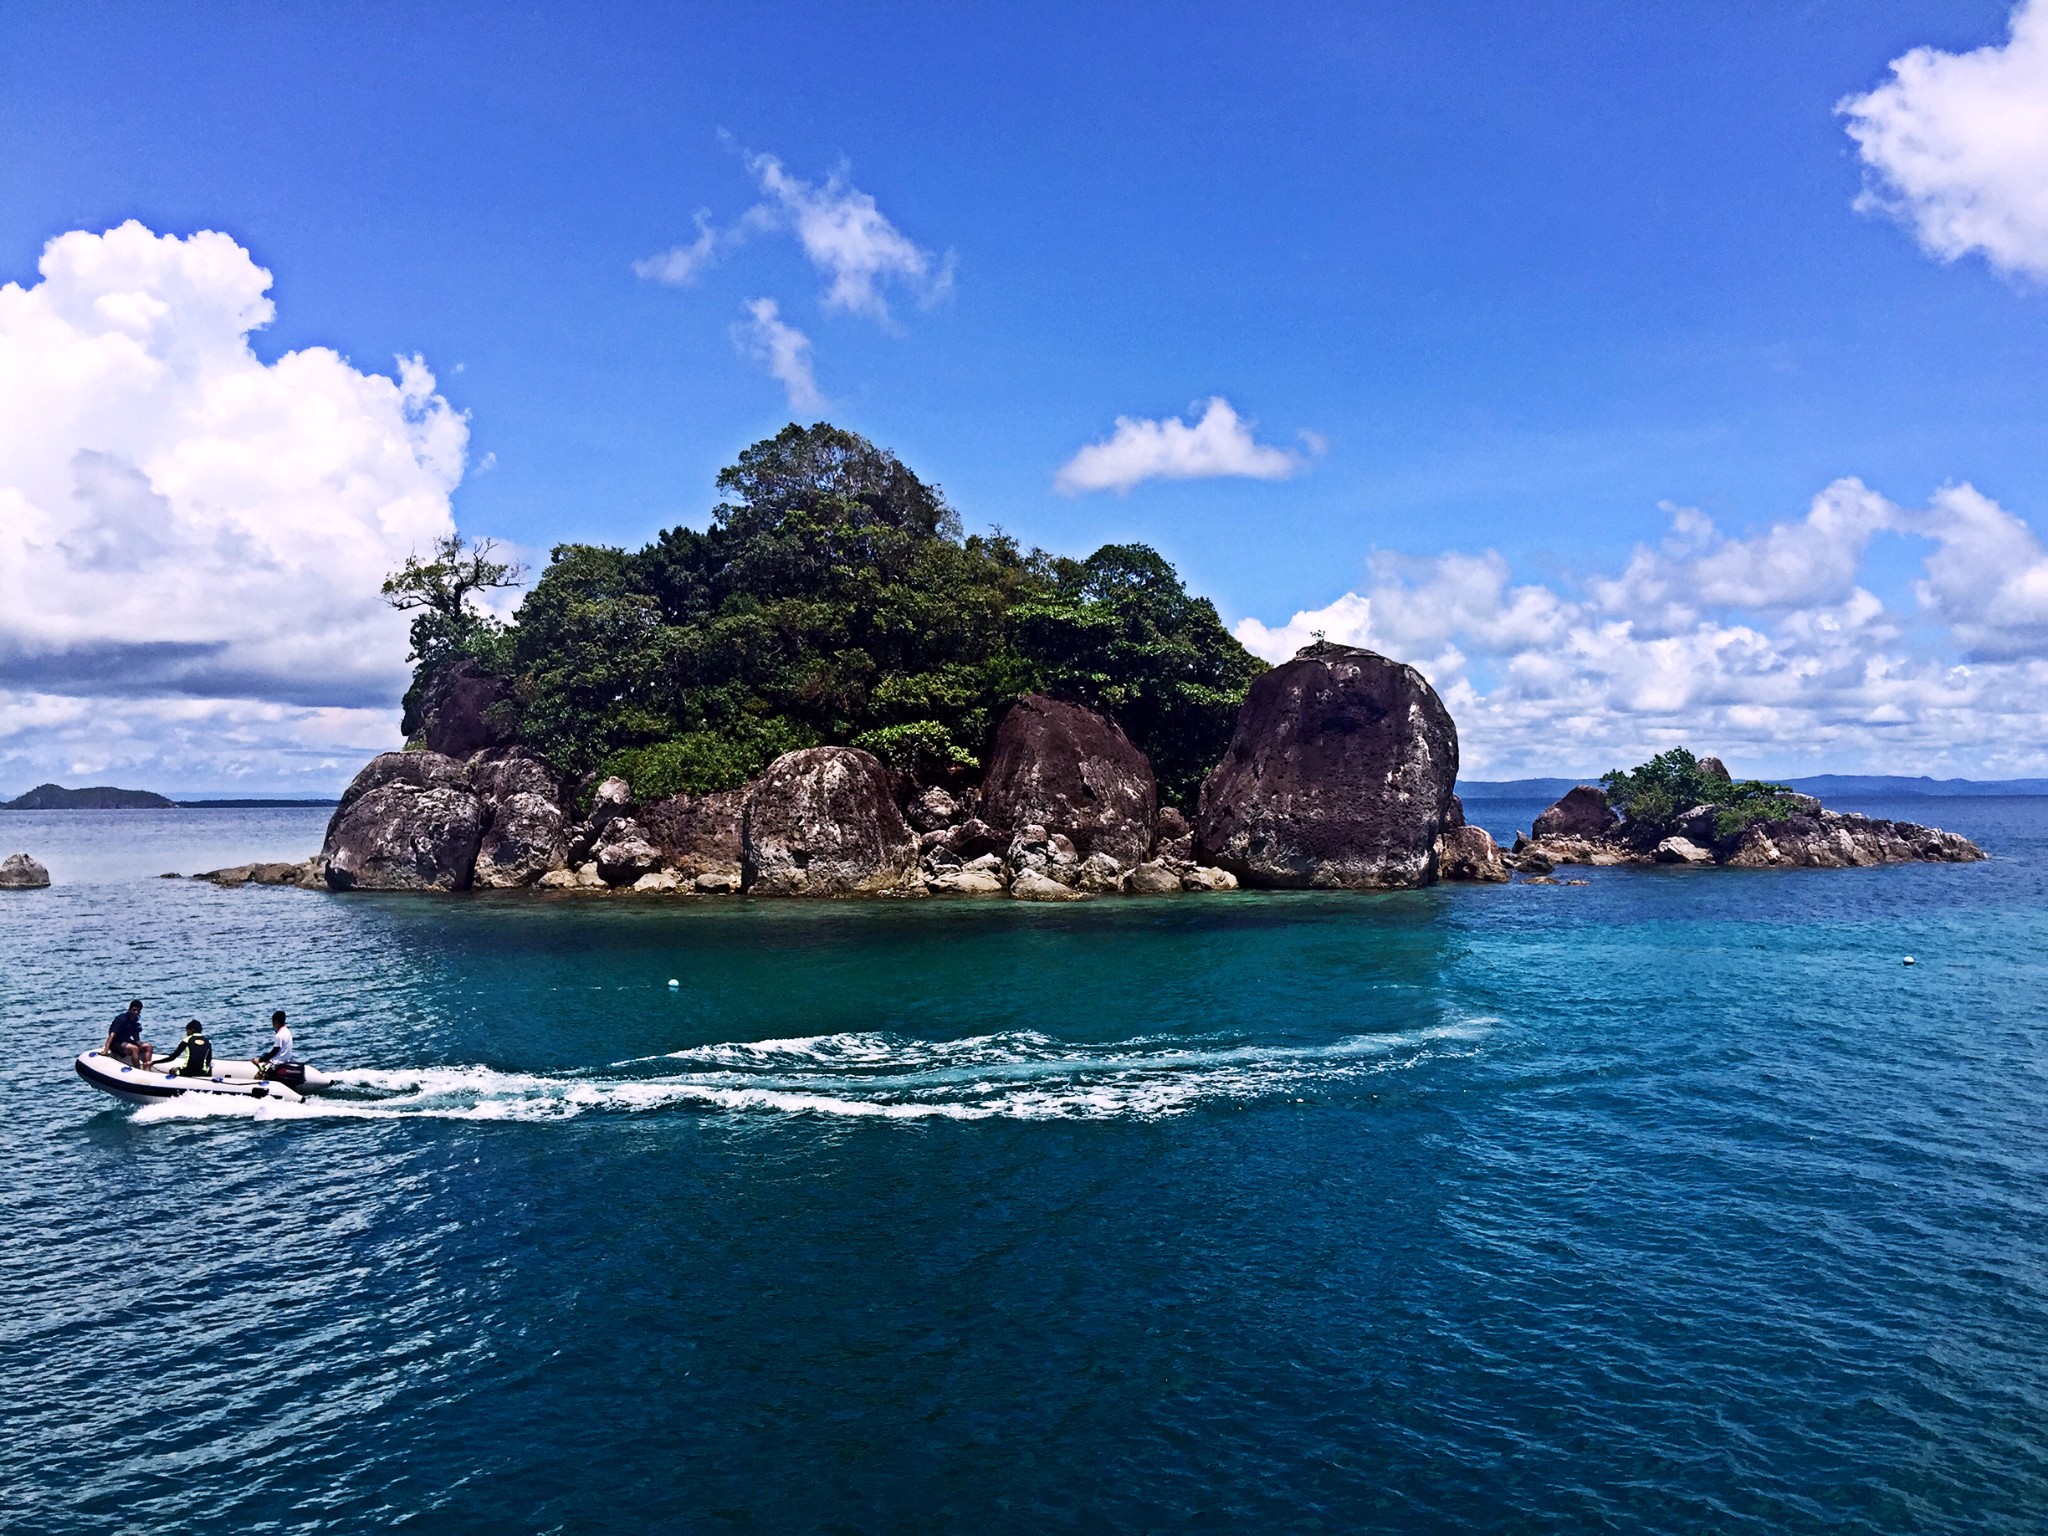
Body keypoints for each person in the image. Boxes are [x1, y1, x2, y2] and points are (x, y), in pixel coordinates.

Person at [254, 1010, 303, 1089]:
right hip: (285, 1061)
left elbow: (274, 1052)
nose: (272, 1024)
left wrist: (260, 1060)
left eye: (272, 1022)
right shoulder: (287, 1031)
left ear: (276, 1022)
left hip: (277, 1064)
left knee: (257, 1077)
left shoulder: (279, 1035)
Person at [103, 1000, 151, 1068]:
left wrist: (139, 1045)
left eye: (138, 1011)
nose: (136, 1012)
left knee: (148, 1046)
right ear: (129, 1009)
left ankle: (147, 1069)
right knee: (134, 1048)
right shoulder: (121, 1019)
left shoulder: (136, 1020)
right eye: (134, 1010)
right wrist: (106, 1050)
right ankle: (138, 1070)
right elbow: (112, 1035)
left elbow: (136, 1035)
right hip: (116, 1043)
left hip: (126, 1041)